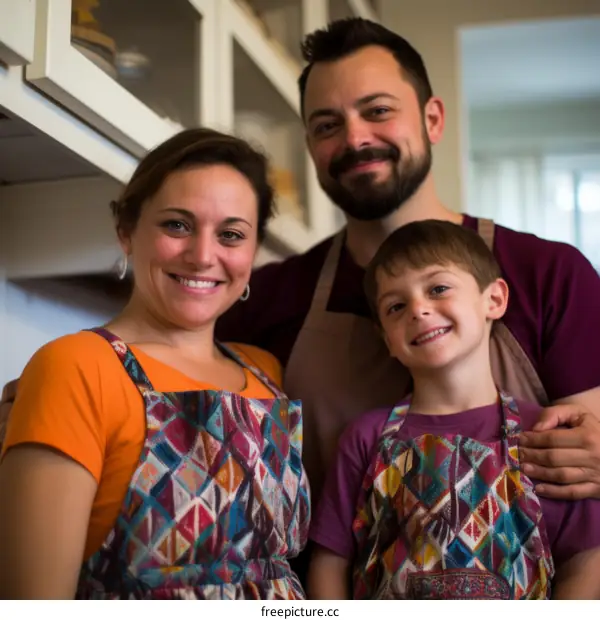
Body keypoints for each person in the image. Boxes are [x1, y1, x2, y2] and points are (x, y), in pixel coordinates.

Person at [2, 17, 600, 516]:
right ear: (311, 148)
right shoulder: (268, 299)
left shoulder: (549, 274)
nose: (356, 139)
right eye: (327, 125)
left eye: (378, 111)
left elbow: (589, 469)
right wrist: (49, 396)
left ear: (433, 119)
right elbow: (161, 361)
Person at [0, 128, 310, 600]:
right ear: (126, 231)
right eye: (177, 225)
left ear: (252, 253)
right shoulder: (75, 368)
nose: (203, 255)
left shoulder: (267, 371)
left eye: (230, 234)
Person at [308, 220, 600, 600]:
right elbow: (329, 562)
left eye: (438, 288)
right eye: (396, 306)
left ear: (493, 300)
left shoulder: (545, 436)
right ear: (388, 340)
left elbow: (587, 558)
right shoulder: (366, 438)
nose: (418, 309)